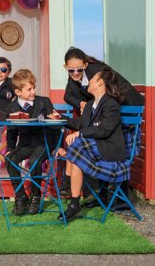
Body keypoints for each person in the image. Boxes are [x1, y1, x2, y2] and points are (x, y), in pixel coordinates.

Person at [61, 47, 144, 206]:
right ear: (66, 67)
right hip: (108, 113)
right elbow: (68, 95)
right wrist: (82, 103)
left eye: (78, 69)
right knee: (102, 148)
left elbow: (110, 95)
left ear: (85, 65)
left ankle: (120, 200)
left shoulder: (97, 72)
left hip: (127, 107)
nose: (75, 73)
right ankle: (103, 197)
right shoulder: (74, 75)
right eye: (71, 70)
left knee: (121, 152)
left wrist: (99, 109)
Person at [51, 67, 126, 222]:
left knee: (77, 145)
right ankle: (74, 204)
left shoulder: (111, 105)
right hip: (93, 149)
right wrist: (60, 118)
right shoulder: (91, 104)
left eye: (92, 78)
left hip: (109, 149)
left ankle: (67, 186)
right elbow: (79, 123)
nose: (88, 80)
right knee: (77, 150)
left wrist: (80, 134)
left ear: (100, 82)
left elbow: (104, 130)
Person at [6, 69, 59, 215]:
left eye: (34, 88)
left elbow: (56, 127)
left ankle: (36, 197)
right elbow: (11, 131)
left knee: (35, 160)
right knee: (9, 159)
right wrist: (10, 147)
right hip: (25, 145)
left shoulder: (44, 102)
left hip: (43, 143)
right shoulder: (12, 107)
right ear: (18, 92)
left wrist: (56, 147)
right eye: (29, 89)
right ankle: (21, 196)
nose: (33, 91)